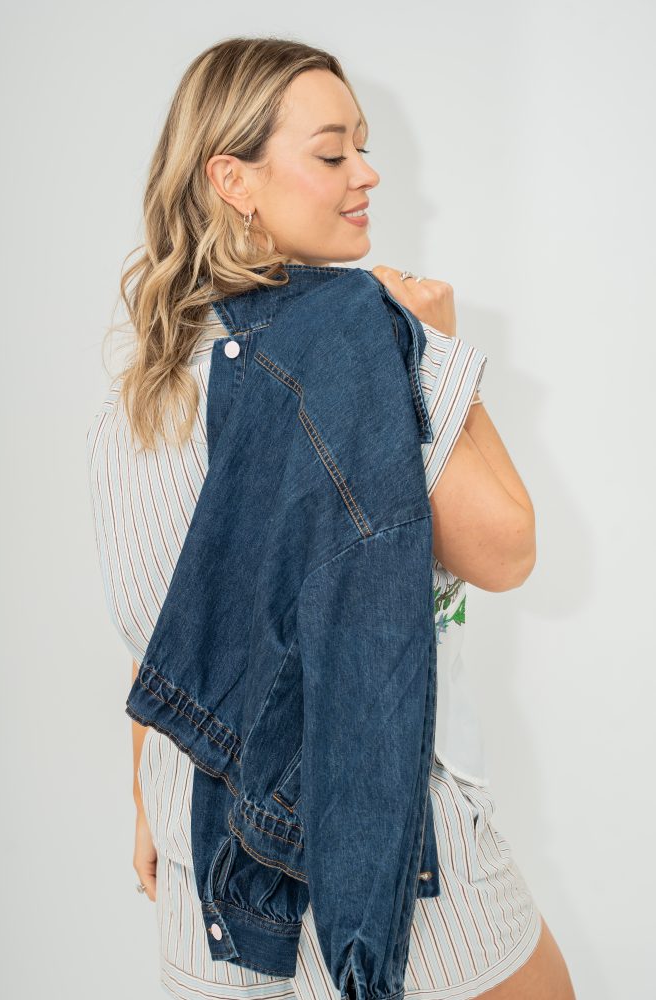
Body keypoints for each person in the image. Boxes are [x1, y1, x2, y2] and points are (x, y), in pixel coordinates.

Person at [86, 36, 576, 1000]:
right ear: (233, 178)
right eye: (331, 151)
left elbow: (167, 632)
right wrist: (432, 351)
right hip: (384, 838)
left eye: (363, 145)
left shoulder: (139, 390)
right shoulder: (356, 338)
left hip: (201, 851)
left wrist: (146, 799)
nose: (367, 172)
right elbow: (506, 547)